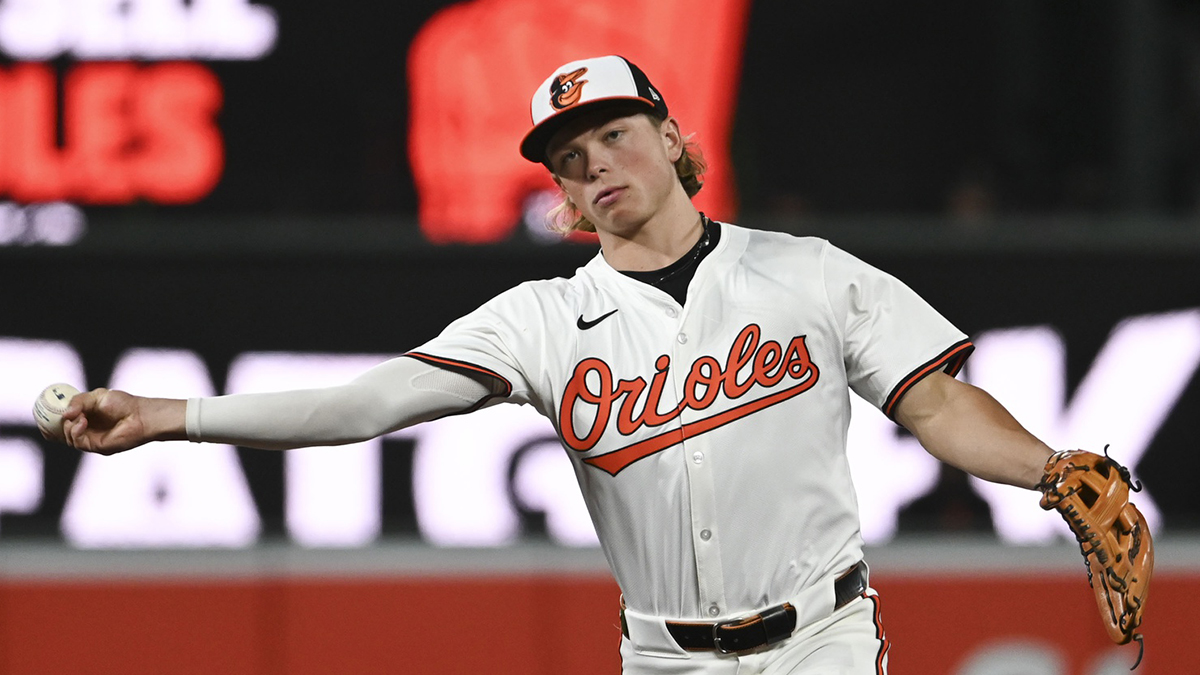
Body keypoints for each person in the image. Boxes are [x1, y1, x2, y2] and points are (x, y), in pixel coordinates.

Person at [56, 55, 1055, 674]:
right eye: (571, 160)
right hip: (664, 656)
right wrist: (168, 415)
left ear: (671, 136)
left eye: (616, 136)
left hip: (823, 641)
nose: (598, 168)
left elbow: (936, 406)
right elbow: (363, 406)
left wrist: (1051, 471)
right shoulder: (541, 320)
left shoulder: (806, 272)